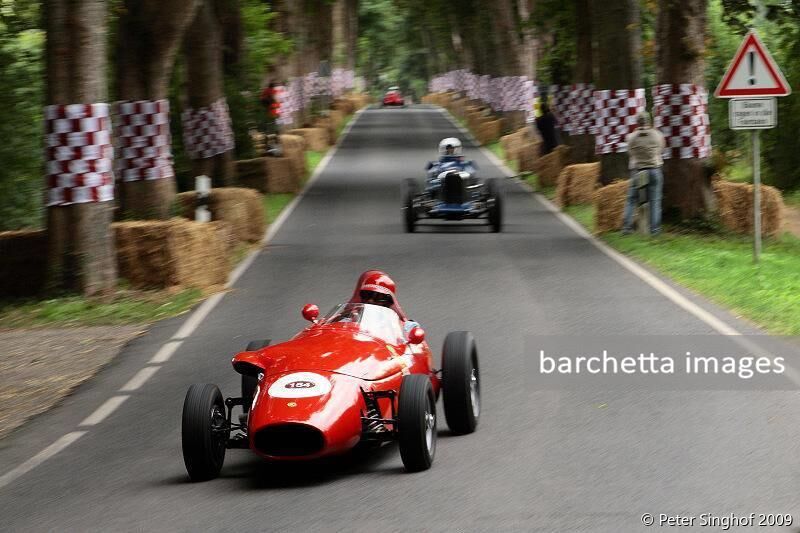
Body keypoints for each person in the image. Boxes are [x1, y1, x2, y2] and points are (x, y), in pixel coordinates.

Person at [622, 111, 666, 236]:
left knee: (631, 200)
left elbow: (630, 153)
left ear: (637, 122)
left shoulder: (631, 137)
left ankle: (627, 228)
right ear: (649, 121)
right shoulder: (658, 135)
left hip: (639, 171)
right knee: (655, 201)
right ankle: (655, 231)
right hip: (654, 170)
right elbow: (661, 149)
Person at [350, 270, 420, 336]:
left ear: (388, 302)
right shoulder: (351, 315)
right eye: (367, 295)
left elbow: (411, 329)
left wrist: (413, 328)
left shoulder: (396, 323)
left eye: (378, 297)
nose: (370, 300)